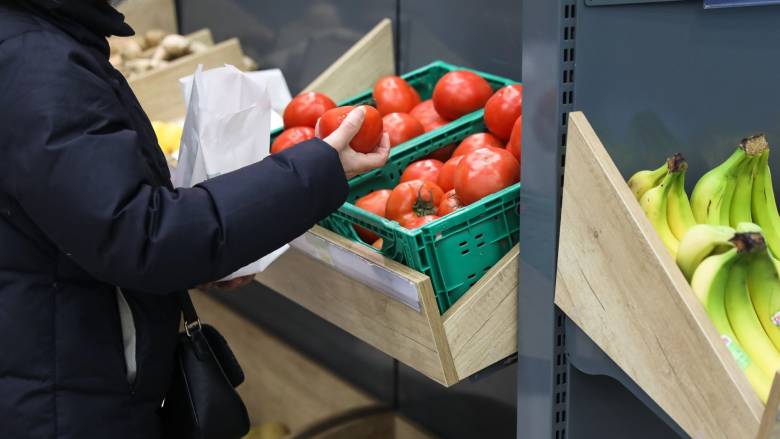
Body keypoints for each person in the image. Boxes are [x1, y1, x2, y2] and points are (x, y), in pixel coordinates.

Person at [0, 1, 390, 438]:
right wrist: (317, 169)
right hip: (63, 400)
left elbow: (86, 221)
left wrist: (192, 253)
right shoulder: (36, 64)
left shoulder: (31, 45)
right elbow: (142, 236)